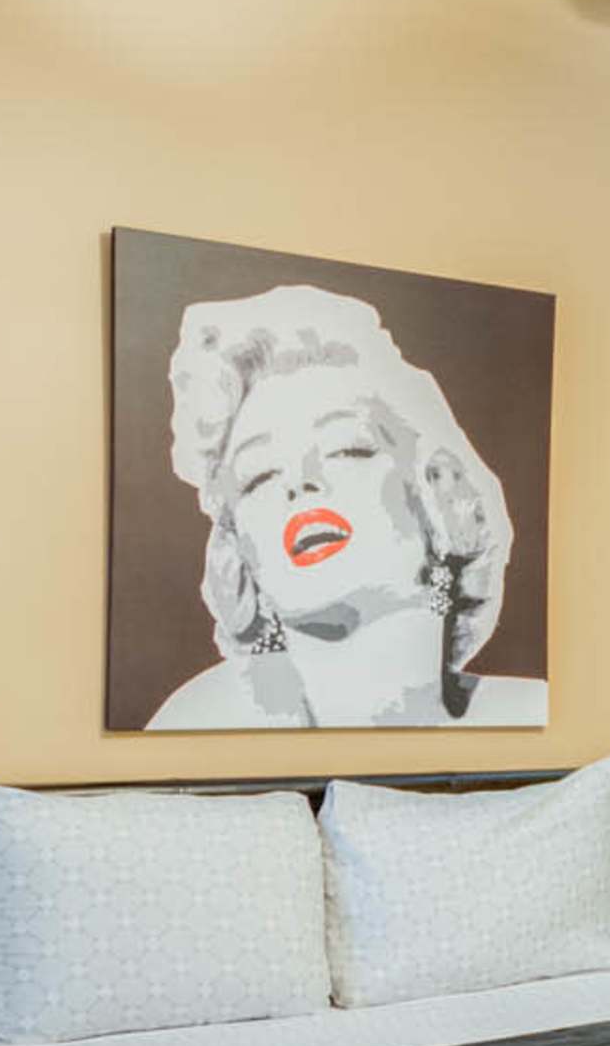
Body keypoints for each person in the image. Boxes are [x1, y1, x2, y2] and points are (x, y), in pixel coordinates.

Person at [150, 284, 542, 729]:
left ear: (438, 492)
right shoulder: (199, 721)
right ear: (238, 549)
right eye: (258, 476)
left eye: (345, 449)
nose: (299, 482)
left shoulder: (527, 713)